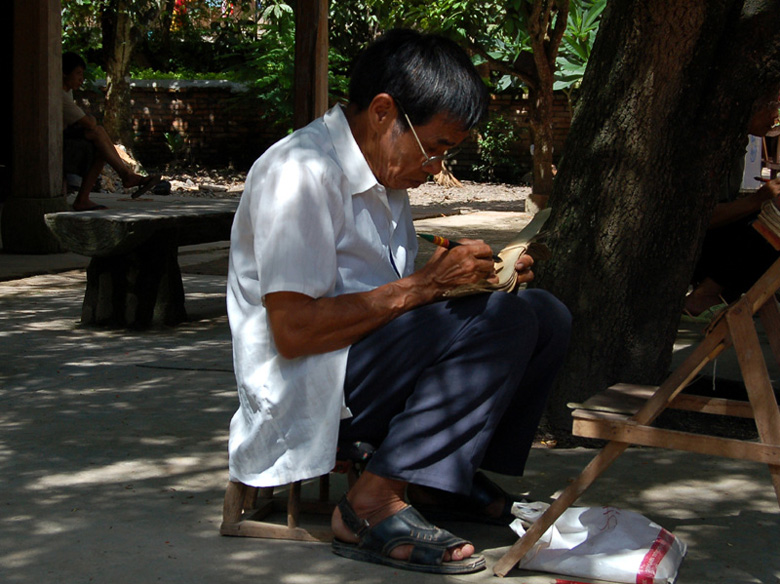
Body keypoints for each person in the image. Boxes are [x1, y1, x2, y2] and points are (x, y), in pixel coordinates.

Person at [226, 29, 571, 574]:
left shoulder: (384, 180)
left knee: (543, 315)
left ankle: (440, 481)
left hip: (360, 366)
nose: (437, 167)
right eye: (434, 146)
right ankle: (371, 502)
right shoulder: (300, 173)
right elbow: (295, 332)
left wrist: (473, 278)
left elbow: (383, 293)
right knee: (502, 322)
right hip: (309, 388)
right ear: (385, 112)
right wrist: (427, 287)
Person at [685, 92, 780, 317]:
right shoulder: (710, 147)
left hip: (711, 246)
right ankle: (703, 296)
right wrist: (757, 200)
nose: (775, 115)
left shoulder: (737, 144)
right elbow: (698, 221)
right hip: (690, 251)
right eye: (771, 105)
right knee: (770, 222)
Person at [62, 52, 161, 211]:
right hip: (59, 142)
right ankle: (126, 175)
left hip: (68, 135)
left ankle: (86, 197)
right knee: (97, 132)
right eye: (78, 74)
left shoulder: (67, 91)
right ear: (64, 74)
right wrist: (90, 120)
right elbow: (88, 123)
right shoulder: (60, 95)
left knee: (100, 142)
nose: (81, 79)